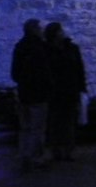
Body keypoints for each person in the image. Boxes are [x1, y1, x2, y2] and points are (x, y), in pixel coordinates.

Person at [9, 18, 52, 169]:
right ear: (34, 30)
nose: (42, 30)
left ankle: (24, 156)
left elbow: (14, 74)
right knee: (37, 128)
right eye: (39, 28)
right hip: (38, 94)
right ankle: (36, 158)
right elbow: (46, 72)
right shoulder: (41, 47)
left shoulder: (20, 47)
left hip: (23, 94)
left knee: (25, 128)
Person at [43, 20, 86, 162]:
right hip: (55, 91)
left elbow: (79, 68)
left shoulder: (72, 48)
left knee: (69, 121)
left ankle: (68, 150)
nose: (62, 33)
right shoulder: (47, 50)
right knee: (55, 121)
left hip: (70, 89)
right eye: (60, 31)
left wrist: (82, 87)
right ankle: (56, 150)